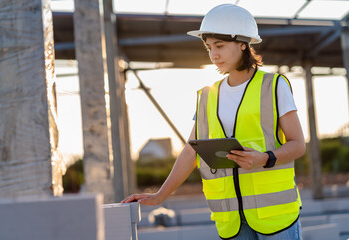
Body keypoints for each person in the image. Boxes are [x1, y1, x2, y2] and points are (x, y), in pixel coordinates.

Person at [122, 4, 305, 240]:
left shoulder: (274, 85)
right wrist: (160, 196)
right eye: (209, 48)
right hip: (231, 222)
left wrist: (264, 158)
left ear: (243, 43)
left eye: (219, 46)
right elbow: (191, 151)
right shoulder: (208, 95)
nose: (213, 55)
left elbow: (298, 144)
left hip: (276, 218)